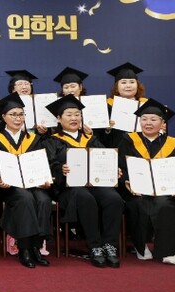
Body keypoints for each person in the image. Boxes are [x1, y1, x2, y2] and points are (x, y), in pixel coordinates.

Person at [44, 94, 123, 268]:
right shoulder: (52, 141)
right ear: (59, 118)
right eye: (69, 115)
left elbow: (105, 157)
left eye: (77, 114)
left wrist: (113, 169)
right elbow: (48, 165)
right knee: (84, 197)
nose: (74, 118)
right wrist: (60, 169)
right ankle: (95, 246)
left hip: (95, 184)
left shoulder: (91, 139)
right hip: (68, 189)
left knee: (113, 198)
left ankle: (109, 245)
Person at [118, 98, 175, 265]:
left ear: (162, 123)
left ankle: (169, 250)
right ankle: (141, 246)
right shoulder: (128, 140)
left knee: (164, 204)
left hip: (164, 190)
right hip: (136, 190)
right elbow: (120, 166)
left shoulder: (174, 143)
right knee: (138, 203)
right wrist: (127, 181)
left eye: (153, 119)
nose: (148, 123)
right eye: (144, 119)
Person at [0, 92, 52, 268]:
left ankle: (36, 246)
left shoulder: (34, 139)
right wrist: (0, 178)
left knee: (43, 199)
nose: (17, 118)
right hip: (8, 187)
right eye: (13, 114)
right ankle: (24, 248)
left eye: (20, 114)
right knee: (25, 198)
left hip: (33, 183)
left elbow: (41, 163)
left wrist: (45, 179)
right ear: (3, 117)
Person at [100, 62, 149, 148]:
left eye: (132, 82)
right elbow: (99, 138)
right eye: (123, 82)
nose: (128, 86)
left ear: (137, 85)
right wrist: (107, 130)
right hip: (117, 150)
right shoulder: (107, 106)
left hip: (142, 150)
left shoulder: (146, 105)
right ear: (116, 86)